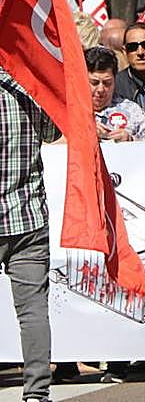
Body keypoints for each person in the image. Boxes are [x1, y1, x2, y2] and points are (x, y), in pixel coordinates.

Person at [0, 66, 60, 402]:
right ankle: (36, 391)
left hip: (22, 217)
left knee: (32, 311)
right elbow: (52, 132)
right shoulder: (28, 87)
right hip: (29, 216)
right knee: (33, 311)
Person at [87, 47, 145, 142]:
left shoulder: (131, 109)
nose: (101, 89)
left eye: (107, 83)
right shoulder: (69, 110)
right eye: (94, 83)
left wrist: (130, 140)